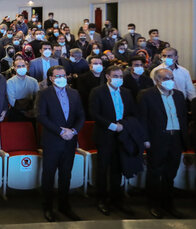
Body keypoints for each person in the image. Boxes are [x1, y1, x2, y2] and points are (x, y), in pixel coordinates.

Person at [36, 65, 85, 222]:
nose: (61, 78)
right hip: (52, 140)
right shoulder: (44, 94)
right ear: (51, 78)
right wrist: (60, 131)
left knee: (66, 174)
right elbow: (41, 116)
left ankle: (64, 206)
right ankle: (48, 207)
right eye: (58, 76)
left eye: (63, 75)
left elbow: (81, 116)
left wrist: (73, 131)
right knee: (49, 175)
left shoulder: (74, 93)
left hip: (70, 140)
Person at [138, 68, 189, 219]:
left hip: (175, 139)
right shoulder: (147, 95)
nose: (170, 80)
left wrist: (184, 139)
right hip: (157, 139)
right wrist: (145, 139)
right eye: (166, 78)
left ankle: (168, 204)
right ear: (157, 80)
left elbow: (183, 118)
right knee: (155, 173)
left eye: (171, 77)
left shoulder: (179, 95)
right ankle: (153, 204)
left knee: (170, 173)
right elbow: (143, 119)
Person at [89, 65, 139, 216]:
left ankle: (117, 200)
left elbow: (132, 112)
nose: (119, 79)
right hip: (105, 134)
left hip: (122, 134)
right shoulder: (97, 92)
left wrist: (124, 125)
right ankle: (101, 200)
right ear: (107, 77)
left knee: (117, 168)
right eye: (115, 76)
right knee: (103, 169)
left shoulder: (126, 92)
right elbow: (94, 113)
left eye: (120, 76)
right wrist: (112, 126)